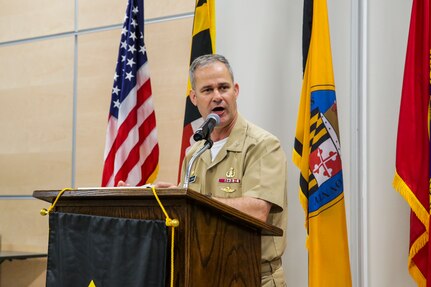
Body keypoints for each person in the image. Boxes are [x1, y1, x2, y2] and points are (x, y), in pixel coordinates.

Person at [122, 54, 288, 286]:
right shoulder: (195, 153)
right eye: (208, 90)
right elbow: (189, 216)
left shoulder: (262, 145)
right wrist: (156, 200)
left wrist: (192, 199)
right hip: (202, 273)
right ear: (194, 98)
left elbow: (257, 211)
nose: (217, 97)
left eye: (224, 87)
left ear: (236, 91)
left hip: (251, 275)